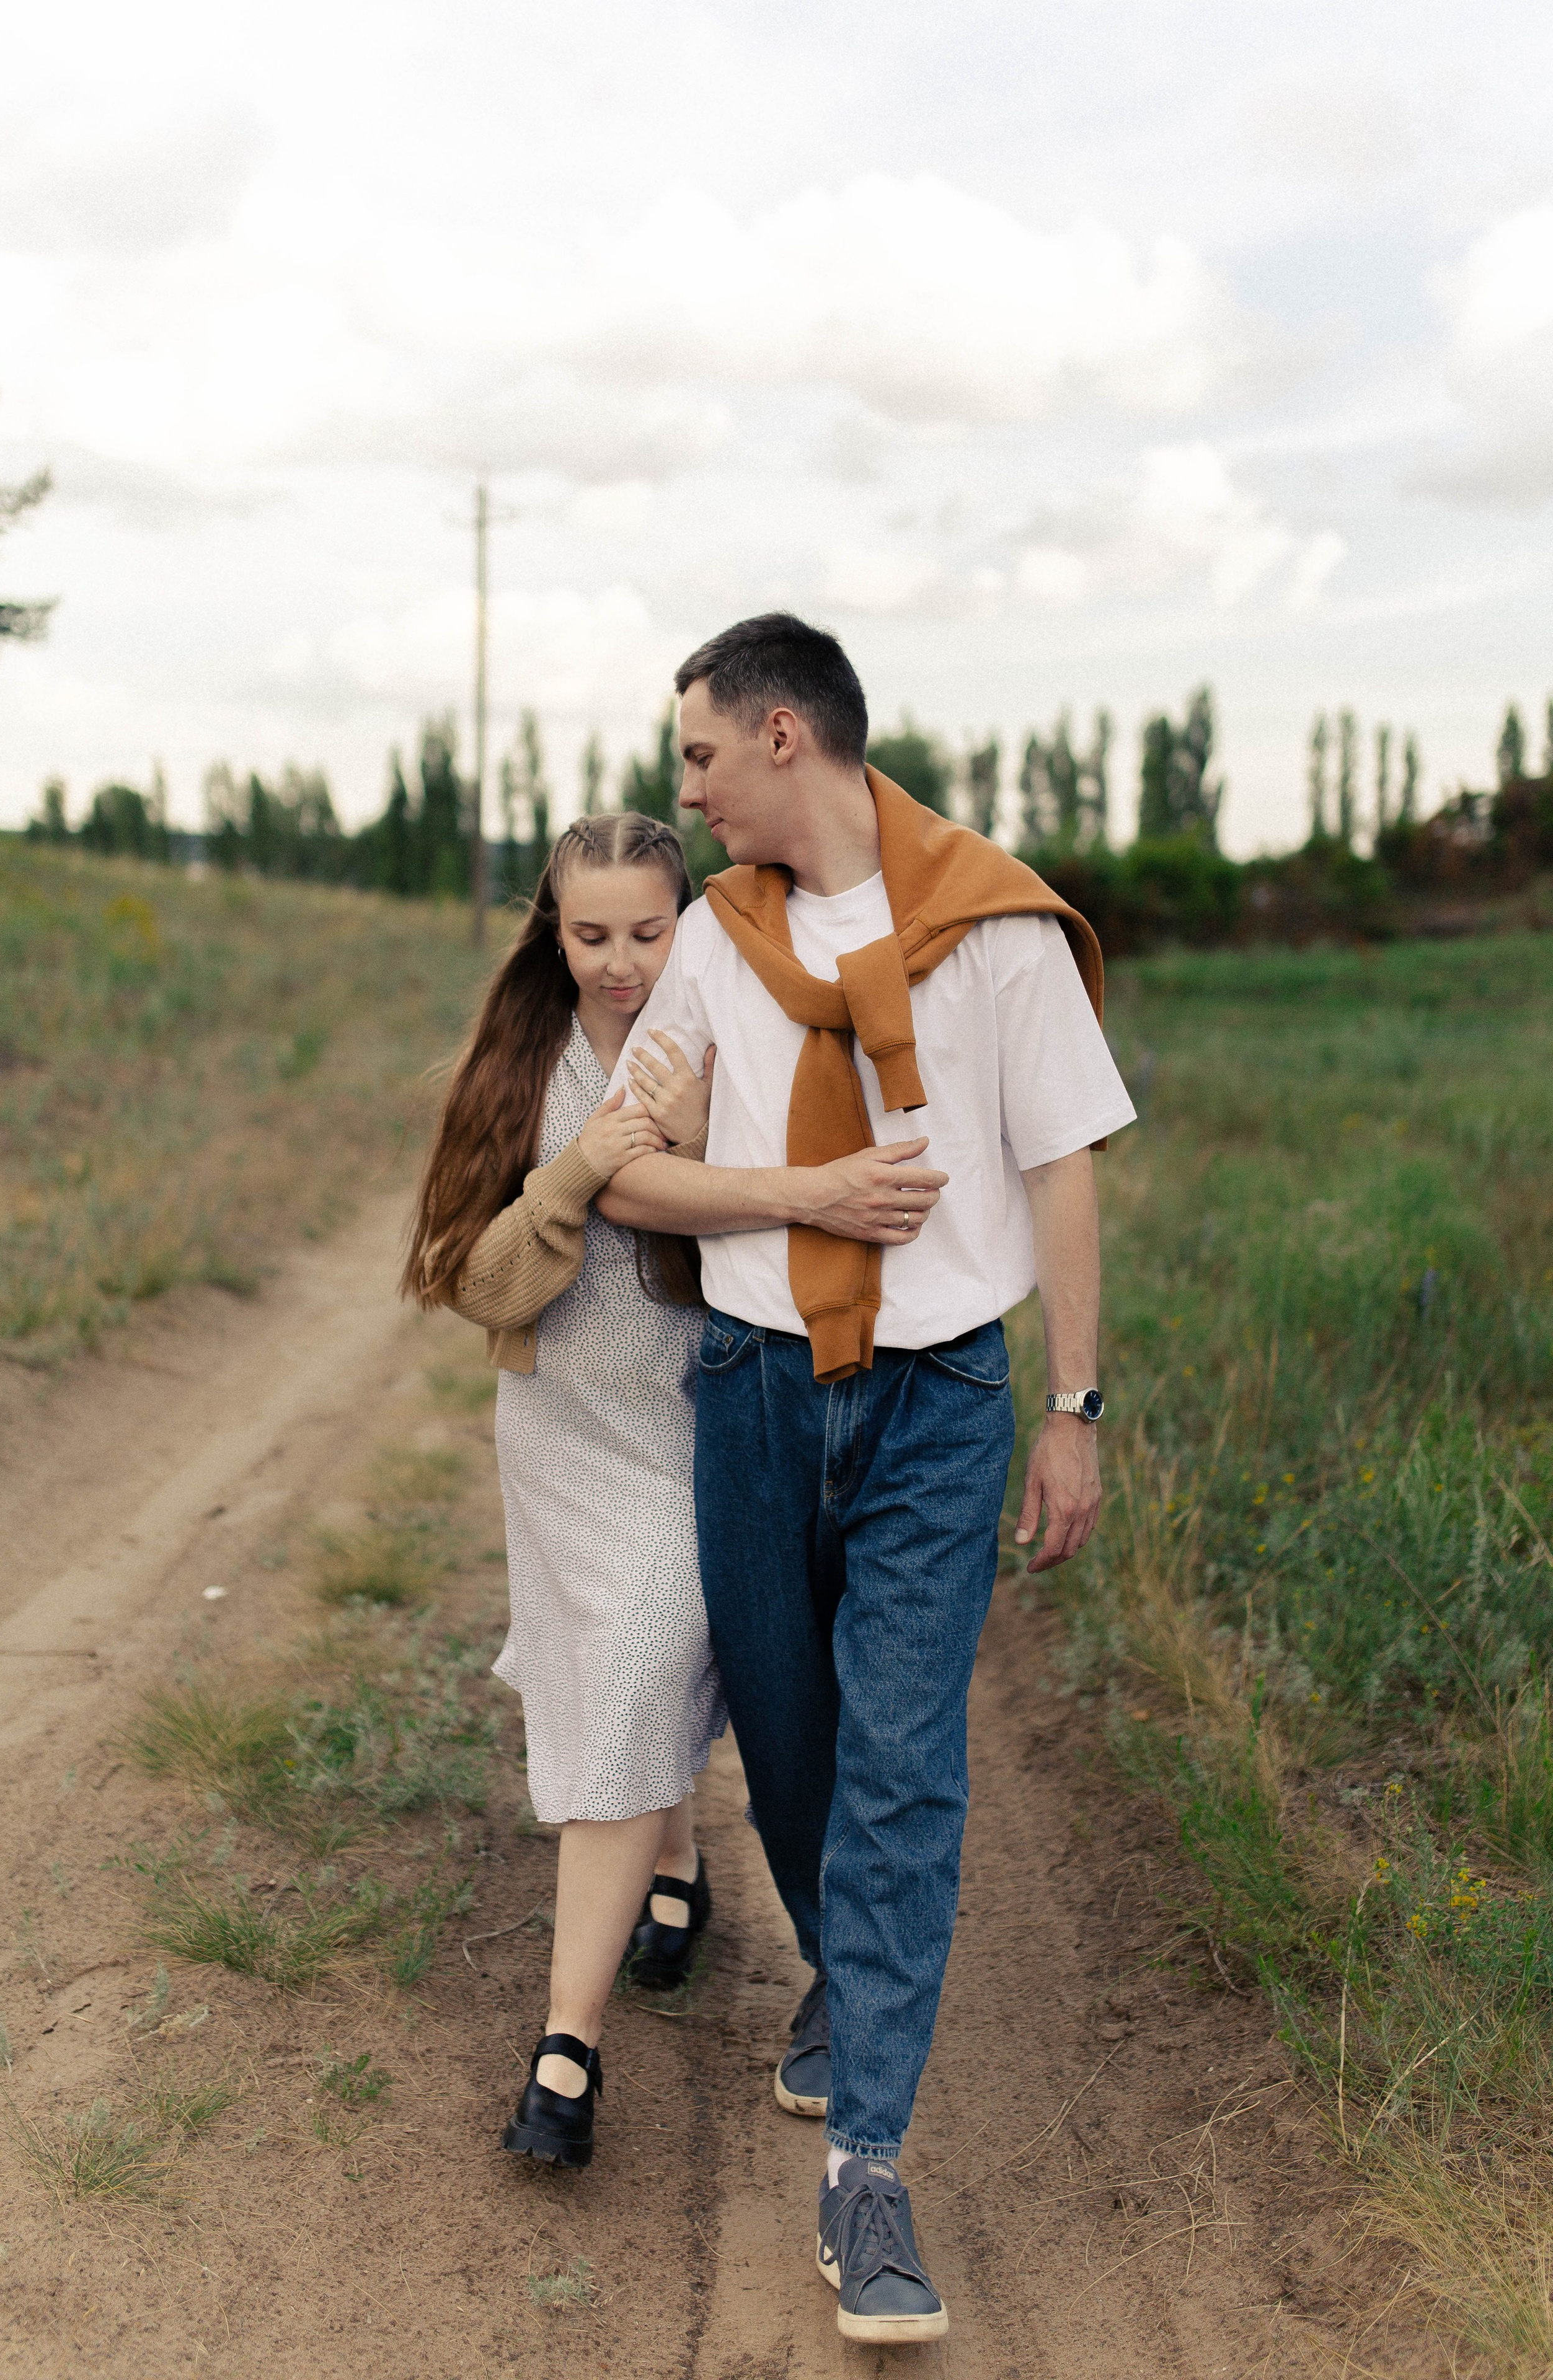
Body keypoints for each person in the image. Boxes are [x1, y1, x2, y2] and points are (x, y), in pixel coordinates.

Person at [598, 615, 1136, 2344]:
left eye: (695, 756)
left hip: (942, 1405)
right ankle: (845, 1964)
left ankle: (872, 2170)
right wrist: (804, 1199)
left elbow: (1058, 1166)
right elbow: (631, 1181)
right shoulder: (712, 946)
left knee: (907, 1759)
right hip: (757, 1388)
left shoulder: (993, 928)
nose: (679, 787)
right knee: (792, 1739)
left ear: (778, 738)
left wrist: (1077, 1402)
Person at [402, 811, 725, 2172]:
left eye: (645, 933)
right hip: (561, 1428)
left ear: (685, 921)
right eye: (588, 934)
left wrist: (705, 1142)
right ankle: (679, 1869)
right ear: (553, 929)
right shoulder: (525, 1055)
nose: (617, 963)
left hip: (695, 1423)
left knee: (645, 1649)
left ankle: (563, 2046)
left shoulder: (729, 1031)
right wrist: (581, 1172)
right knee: (617, 1668)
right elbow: (468, 1280)